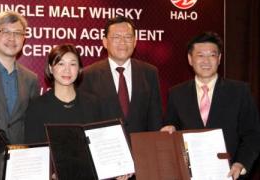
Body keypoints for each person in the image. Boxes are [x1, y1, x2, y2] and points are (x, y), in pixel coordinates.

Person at [161, 32, 260, 180]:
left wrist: (241, 164)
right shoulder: (176, 93)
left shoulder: (240, 91)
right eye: (200, 55)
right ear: (190, 59)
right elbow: (172, 124)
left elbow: (252, 135)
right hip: (189, 175)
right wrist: (170, 128)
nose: (206, 61)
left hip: (229, 174)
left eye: (212, 55)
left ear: (219, 59)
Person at [80, 16, 163, 137]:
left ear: (135, 42)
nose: (123, 42)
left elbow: (155, 118)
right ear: (104, 42)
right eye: (116, 37)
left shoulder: (149, 72)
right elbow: (86, 120)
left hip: (141, 150)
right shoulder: (88, 75)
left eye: (128, 37)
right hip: (106, 150)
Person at [0, 11, 39, 144]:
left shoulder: (31, 78)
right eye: (5, 32)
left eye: (18, 33)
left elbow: (32, 122)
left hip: (19, 155)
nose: (12, 38)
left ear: (24, 38)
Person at [24, 44, 101, 144]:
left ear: (79, 69)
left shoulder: (92, 104)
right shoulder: (37, 107)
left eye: (72, 64)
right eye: (61, 64)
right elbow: (33, 150)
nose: (67, 70)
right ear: (51, 68)